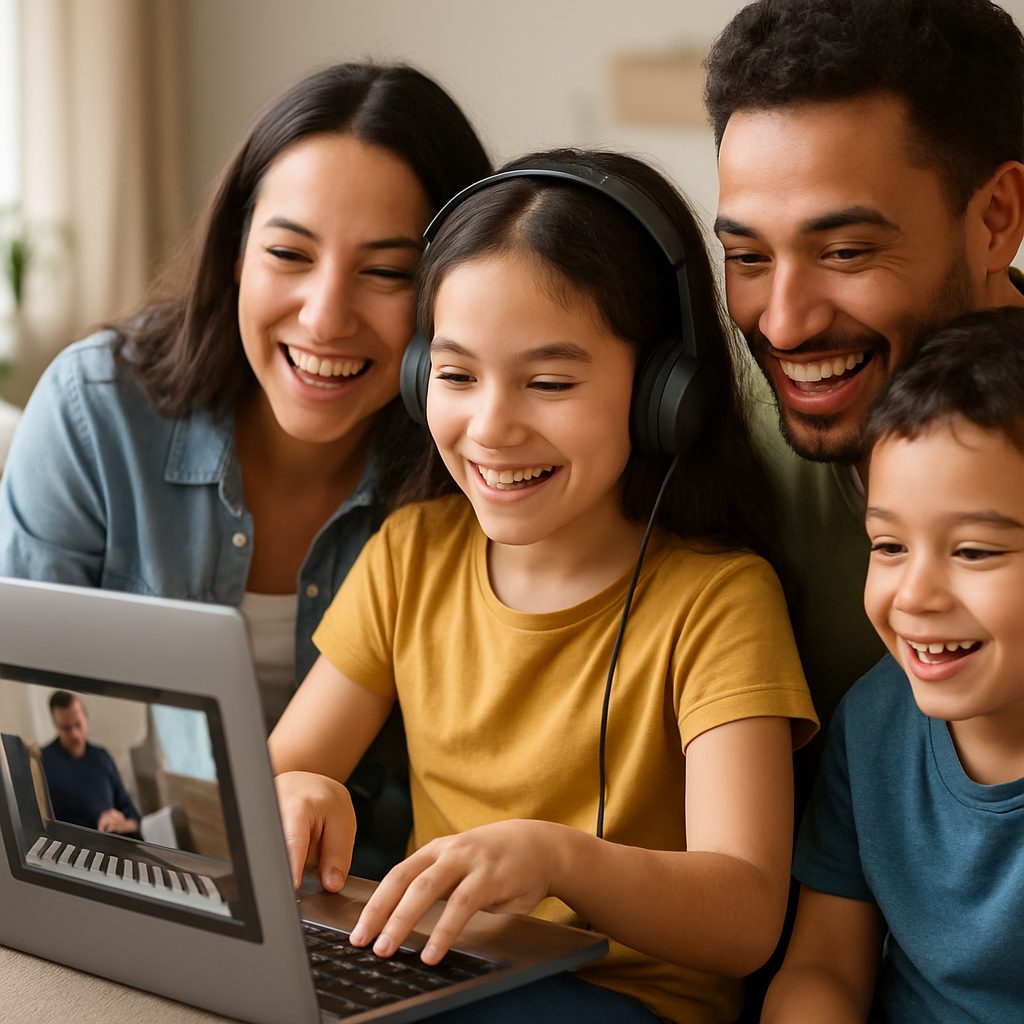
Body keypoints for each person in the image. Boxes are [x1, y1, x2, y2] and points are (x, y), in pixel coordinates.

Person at [269, 149, 818, 1024]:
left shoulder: (719, 602)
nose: (491, 427)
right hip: (436, 977)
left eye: (550, 382)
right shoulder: (409, 556)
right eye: (455, 375)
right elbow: (284, 770)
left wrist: (557, 861)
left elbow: (748, 913)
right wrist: (299, 793)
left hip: (621, 1003)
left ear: (663, 394)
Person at [0, 63, 491, 874]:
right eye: (289, 253)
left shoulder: (479, 467)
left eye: (386, 272)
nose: (325, 316)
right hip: (126, 874)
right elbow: (24, 731)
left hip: (366, 903)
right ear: (235, 252)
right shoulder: (97, 414)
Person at [704, 0, 1024, 762]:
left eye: (845, 252)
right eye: (748, 258)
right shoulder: (719, 445)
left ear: (996, 217)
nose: (782, 326)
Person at [762, 307, 1024, 1022]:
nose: (913, 594)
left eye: (973, 551)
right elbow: (823, 965)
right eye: (888, 546)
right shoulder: (874, 721)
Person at [41, 690, 140, 835]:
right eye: (66, 728)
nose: (75, 734)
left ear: (86, 719)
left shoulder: (101, 757)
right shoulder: (42, 761)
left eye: (78, 725)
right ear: (56, 725)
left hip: (111, 843)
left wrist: (121, 824)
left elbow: (134, 818)